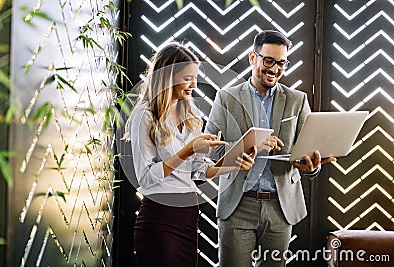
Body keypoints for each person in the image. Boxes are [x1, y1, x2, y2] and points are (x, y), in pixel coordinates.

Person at [205, 30, 336, 267]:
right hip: (238, 206)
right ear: (252, 57)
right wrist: (249, 145)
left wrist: (311, 168)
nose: (275, 69)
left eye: (281, 63)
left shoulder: (298, 100)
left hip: (280, 207)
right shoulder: (226, 98)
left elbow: (305, 152)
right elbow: (211, 152)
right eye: (268, 61)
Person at [125, 42, 257, 267]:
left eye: (195, 77)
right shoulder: (144, 115)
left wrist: (234, 164)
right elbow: (145, 178)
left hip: (187, 214)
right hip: (159, 217)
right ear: (168, 77)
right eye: (187, 78)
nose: (194, 85)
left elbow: (199, 170)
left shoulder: (191, 112)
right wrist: (187, 151)